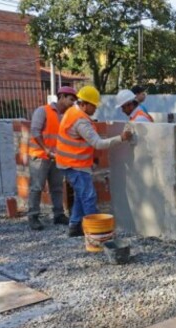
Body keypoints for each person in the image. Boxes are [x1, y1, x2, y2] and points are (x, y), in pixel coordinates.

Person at [56, 86, 133, 238]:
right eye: (94, 105)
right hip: (74, 164)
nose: (95, 109)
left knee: (81, 195)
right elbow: (98, 143)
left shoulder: (73, 112)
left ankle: (74, 226)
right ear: (84, 104)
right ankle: (97, 233)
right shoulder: (80, 121)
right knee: (89, 196)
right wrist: (121, 138)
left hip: (71, 162)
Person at [27, 86, 78, 230]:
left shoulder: (66, 116)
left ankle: (58, 215)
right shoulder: (43, 111)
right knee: (37, 187)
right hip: (40, 156)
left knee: (57, 188)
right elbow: (35, 131)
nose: (72, 103)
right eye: (71, 100)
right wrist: (46, 149)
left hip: (56, 157)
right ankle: (33, 216)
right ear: (61, 97)